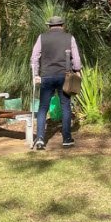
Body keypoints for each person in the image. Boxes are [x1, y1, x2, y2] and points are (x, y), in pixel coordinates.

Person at [30, 15, 82, 149]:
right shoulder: (69, 37)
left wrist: (35, 74)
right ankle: (66, 139)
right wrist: (77, 70)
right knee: (65, 106)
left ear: (49, 26)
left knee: (43, 108)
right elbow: (75, 58)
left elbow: (34, 57)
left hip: (46, 76)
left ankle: (40, 138)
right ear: (62, 25)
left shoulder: (42, 37)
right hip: (64, 76)